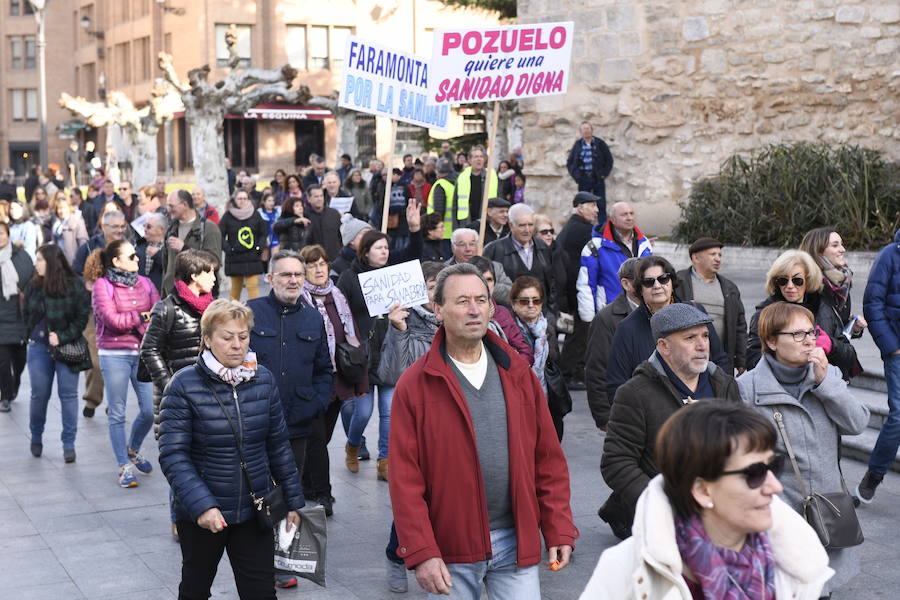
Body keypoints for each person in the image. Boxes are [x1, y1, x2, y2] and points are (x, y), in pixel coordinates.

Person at [389, 263, 578, 599]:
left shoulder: (518, 373)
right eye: (462, 301)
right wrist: (422, 551)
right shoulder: (416, 384)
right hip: (451, 550)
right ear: (438, 309)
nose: (474, 309)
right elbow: (404, 478)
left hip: (516, 540)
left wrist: (559, 528)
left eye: (481, 300)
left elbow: (547, 459)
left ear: (492, 307)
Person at [580, 401, 834, 599]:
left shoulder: (794, 559)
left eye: (774, 466)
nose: (775, 486)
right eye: (754, 473)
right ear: (702, 490)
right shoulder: (624, 571)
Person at [158, 299, 304, 599]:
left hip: (255, 509)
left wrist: (292, 502)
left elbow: (278, 444)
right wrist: (202, 506)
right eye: (227, 337)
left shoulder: (263, 380)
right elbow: (173, 455)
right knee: (195, 590)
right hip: (205, 513)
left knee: (261, 592)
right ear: (208, 339)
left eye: (243, 336)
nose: (237, 344)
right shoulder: (184, 385)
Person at [739, 301, 868, 597]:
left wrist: (826, 385)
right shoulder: (747, 389)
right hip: (780, 516)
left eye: (811, 332)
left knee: (822, 589)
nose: (809, 340)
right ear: (771, 341)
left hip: (828, 512)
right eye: (797, 335)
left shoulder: (826, 375)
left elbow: (858, 423)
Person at [600, 302, 741, 539]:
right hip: (662, 521)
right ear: (664, 346)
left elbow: (743, 445)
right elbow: (616, 462)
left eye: (705, 336)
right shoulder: (635, 393)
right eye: (689, 338)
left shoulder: (724, 384)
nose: (702, 346)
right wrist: (662, 502)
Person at [248, 251, 332, 589]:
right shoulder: (252, 313)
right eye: (286, 275)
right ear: (271, 278)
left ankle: (280, 562)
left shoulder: (313, 318)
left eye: (298, 274)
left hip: (297, 423)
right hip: (255, 421)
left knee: (287, 491)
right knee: (257, 489)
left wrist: (315, 404)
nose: (294, 280)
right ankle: (253, 554)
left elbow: (324, 370)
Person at [337, 204, 423, 483]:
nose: (385, 252)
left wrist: (414, 229)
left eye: (387, 248)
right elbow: (340, 314)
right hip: (362, 355)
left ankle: (385, 460)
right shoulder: (349, 277)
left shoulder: (392, 271)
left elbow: (414, 253)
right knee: (363, 412)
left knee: (390, 412)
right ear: (365, 252)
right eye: (379, 248)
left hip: (391, 350)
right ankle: (352, 444)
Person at [140, 248, 218, 539]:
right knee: (180, 456)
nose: (214, 276)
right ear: (194, 275)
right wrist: (170, 384)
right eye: (209, 271)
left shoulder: (214, 307)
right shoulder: (166, 307)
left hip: (209, 394)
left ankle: (203, 508)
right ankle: (179, 517)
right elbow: (149, 349)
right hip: (174, 398)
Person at [298, 244, 369, 514]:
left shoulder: (337, 296)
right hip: (312, 382)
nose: (318, 269)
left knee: (322, 438)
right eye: (312, 264)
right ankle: (323, 494)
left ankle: (307, 484)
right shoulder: (299, 299)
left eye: (322, 263)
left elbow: (353, 340)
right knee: (316, 439)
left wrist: (360, 383)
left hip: (338, 381)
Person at [606, 256, 730, 409]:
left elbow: (720, 360)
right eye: (649, 282)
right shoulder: (627, 328)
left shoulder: (696, 311)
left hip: (704, 408)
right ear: (640, 289)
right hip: (654, 415)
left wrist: (721, 400)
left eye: (663, 279)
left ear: (671, 282)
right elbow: (616, 383)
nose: (657, 285)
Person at [93, 239, 161, 486]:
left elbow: (159, 312)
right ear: (116, 261)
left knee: (149, 410)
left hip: (141, 353)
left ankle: (132, 448)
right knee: (118, 412)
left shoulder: (146, 282)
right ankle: (123, 466)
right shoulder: (103, 285)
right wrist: (142, 316)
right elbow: (112, 320)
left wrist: (140, 319)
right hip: (114, 354)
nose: (138, 259)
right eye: (132, 256)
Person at [746, 250, 862, 380]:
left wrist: (831, 345)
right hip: (781, 388)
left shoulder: (823, 308)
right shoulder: (765, 313)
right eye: (783, 280)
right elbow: (753, 359)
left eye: (797, 280)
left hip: (822, 386)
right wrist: (787, 359)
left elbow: (850, 356)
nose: (790, 286)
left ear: (808, 280)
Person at [23, 244, 91, 461]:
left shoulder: (74, 285)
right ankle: (36, 436)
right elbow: (26, 314)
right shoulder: (33, 284)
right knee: (39, 394)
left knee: (69, 395)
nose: (36, 263)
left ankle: (69, 443)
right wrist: (33, 334)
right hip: (39, 348)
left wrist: (63, 335)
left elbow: (82, 317)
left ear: (51, 262)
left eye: (40, 259)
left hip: (67, 346)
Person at [856, 228, 900, 504]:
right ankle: (875, 473)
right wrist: (891, 346)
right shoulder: (889, 256)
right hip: (897, 350)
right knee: (898, 415)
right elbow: (873, 302)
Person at [675, 237, 748, 375]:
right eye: (712, 254)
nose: (718, 259)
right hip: (687, 357)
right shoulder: (679, 282)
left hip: (721, 360)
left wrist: (741, 360)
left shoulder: (729, 288)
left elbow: (740, 326)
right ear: (696, 258)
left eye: (719, 255)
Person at [584, 257, 641, 430]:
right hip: (624, 416)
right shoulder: (606, 319)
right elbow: (597, 370)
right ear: (626, 284)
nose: (654, 285)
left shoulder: (662, 312)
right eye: (645, 279)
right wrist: (604, 418)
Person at [510, 275, 566, 439]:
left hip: (549, 399)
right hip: (520, 400)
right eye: (524, 301)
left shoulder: (546, 329)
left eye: (536, 300)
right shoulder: (508, 331)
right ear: (513, 304)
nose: (531, 306)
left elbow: (555, 360)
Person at [577, 201, 652, 322]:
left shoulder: (644, 244)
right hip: (610, 314)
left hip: (642, 312)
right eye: (624, 215)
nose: (629, 218)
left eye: (631, 213)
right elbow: (586, 284)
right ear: (612, 219)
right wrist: (589, 319)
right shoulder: (595, 247)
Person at [556, 192, 601, 388]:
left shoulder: (574, 226)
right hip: (577, 288)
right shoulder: (582, 229)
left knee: (580, 331)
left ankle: (573, 370)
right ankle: (569, 372)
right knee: (580, 332)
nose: (596, 210)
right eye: (592, 205)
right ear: (580, 207)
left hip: (571, 287)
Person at [484, 203, 558, 315]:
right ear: (510, 225)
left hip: (541, 317)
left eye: (530, 225)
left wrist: (551, 315)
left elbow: (552, 283)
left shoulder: (542, 247)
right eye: (522, 225)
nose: (527, 230)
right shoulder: (494, 250)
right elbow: (487, 285)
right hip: (509, 317)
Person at [800, 227, 868, 346]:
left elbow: (836, 328)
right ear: (818, 250)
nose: (843, 249)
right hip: (814, 357)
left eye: (842, 245)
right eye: (835, 245)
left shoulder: (841, 283)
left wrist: (854, 328)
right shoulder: (804, 285)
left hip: (835, 356)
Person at [469, 256, 534, 365]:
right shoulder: (461, 315)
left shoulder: (503, 313)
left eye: (489, 280)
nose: (485, 285)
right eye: (480, 279)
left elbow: (525, 351)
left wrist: (514, 366)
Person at [0, 222, 34, 413]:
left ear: (8, 235)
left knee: (19, 360)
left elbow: (32, 280)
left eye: (2, 233)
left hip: (19, 314)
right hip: (1, 318)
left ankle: (14, 385)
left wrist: (26, 292)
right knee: (3, 361)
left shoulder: (21, 256)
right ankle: (5, 396)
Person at [162, 189, 223, 295]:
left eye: (171, 206)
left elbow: (214, 262)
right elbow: (166, 266)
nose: (168, 209)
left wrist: (185, 249)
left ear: (184, 204)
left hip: (199, 296)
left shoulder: (209, 228)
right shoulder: (171, 229)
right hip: (172, 295)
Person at [219, 189, 267, 301]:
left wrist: (259, 248)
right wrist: (228, 249)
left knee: (252, 286)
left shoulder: (255, 214)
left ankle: (255, 313)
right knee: (236, 288)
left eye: (245, 198)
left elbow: (263, 233)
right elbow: (219, 235)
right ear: (234, 200)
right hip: (234, 257)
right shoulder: (228, 215)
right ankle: (232, 313)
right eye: (240, 199)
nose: (242, 201)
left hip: (253, 256)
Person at [446, 228, 513, 305]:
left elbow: (510, 294)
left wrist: (486, 284)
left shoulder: (495, 267)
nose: (468, 249)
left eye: (472, 244)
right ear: (453, 248)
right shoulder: (444, 269)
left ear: (478, 246)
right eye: (462, 244)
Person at [566, 121, 614, 204]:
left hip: (598, 178)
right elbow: (570, 162)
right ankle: (585, 218)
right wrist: (577, 177)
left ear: (592, 130)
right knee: (584, 203)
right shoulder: (578, 145)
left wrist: (604, 174)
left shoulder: (600, 143)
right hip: (583, 179)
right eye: (584, 129)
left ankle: (601, 217)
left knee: (600, 203)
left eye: (588, 128)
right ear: (580, 132)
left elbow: (609, 160)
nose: (586, 131)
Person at [453, 145, 497, 229]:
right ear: (469, 160)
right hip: (466, 221)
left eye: (481, 156)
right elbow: (455, 203)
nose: (479, 159)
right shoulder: (462, 177)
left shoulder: (491, 175)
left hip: (487, 220)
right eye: (476, 157)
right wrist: (455, 226)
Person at [73, 208, 128, 275]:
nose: (120, 230)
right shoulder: (89, 247)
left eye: (122, 226)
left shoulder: (129, 247)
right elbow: (77, 273)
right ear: (103, 227)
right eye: (115, 226)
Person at [426, 157, 458, 257]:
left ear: (437, 170)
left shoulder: (440, 185)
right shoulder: (457, 183)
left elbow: (438, 211)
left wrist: (433, 228)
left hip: (442, 232)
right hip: (454, 230)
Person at [306, 185, 343, 261]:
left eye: (321, 196)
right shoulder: (304, 216)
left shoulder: (334, 214)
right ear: (309, 199)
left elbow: (341, 237)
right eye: (316, 196)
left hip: (335, 258)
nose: (319, 199)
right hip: (314, 260)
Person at [51, 191, 89, 264]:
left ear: (69, 208)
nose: (62, 211)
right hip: (59, 261)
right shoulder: (56, 225)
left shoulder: (77, 222)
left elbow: (83, 243)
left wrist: (80, 262)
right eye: (59, 208)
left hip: (73, 262)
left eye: (64, 208)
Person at [136, 212, 167, 293]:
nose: (145, 229)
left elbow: (172, 267)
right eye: (144, 226)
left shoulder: (170, 247)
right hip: (141, 294)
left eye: (149, 227)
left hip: (162, 295)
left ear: (161, 230)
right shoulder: (139, 246)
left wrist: (157, 255)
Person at [257, 190, 281, 255]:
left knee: (275, 256)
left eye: (273, 201)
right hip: (264, 238)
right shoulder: (259, 213)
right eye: (269, 201)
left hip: (276, 237)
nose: (272, 203)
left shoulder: (278, 212)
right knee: (264, 257)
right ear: (264, 202)